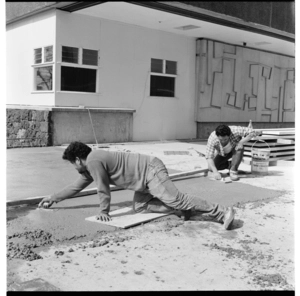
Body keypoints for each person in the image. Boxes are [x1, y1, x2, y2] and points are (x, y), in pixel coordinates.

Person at [39, 141, 235, 230]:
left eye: (72, 163)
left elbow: (103, 189)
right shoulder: (91, 164)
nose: (74, 167)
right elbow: (77, 186)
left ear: (78, 159)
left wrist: (104, 211)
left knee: (177, 198)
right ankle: (182, 211)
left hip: (151, 170)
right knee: (140, 207)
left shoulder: (93, 160)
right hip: (143, 181)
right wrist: (53, 198)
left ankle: (221, 212)